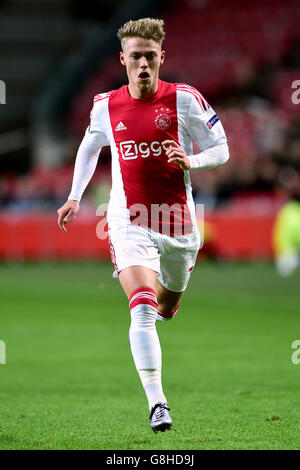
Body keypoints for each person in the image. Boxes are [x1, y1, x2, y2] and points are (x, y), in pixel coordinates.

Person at [57, 18, 229, 433]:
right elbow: (88, 148)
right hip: (128, 220)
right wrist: (75, 196)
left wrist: (193, 160)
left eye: (151, 56)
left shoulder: (186, 100)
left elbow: (221, 148)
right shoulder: (105, 106)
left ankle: (166, 300)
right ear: (123, 59)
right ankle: (158, 404)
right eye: (136, 57)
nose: (144, 64)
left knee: (166, 307)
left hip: (179, 225)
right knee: (144, 307)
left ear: (162, 57)